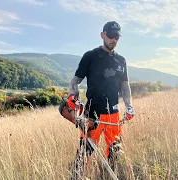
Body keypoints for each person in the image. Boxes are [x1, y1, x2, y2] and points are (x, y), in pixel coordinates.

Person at [67, 20, 135, 174]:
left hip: (114, 115)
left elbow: (125, 85)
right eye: (110, 35)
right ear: (103, 35)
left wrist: (129, 106)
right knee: (85, 150)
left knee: (115, 150)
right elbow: (75, 81)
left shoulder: (121, 60)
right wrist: (73, 97)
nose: (114, 40)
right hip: (93, 114)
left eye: (117, 37)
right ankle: (77, 176)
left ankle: (106, 176)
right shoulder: (90, 56)